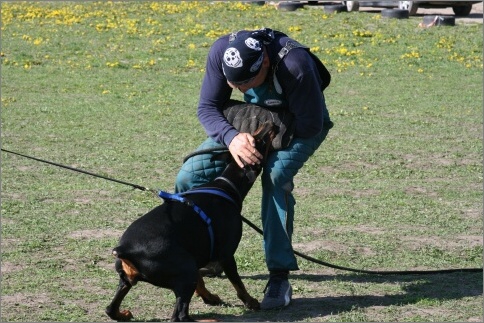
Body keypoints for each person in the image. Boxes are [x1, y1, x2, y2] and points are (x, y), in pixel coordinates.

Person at [174, 27, 333, 310]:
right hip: (247, 124)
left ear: (267, 63)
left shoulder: (295, 65)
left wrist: (261, 141)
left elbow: (311, 124)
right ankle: (208, 253)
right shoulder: (222, 51)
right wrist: (234, 138)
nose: (239, 89)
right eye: (232, 82)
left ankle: (279, 275)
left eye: (247, 81)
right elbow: (207, 107)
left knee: (276, 176)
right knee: (190, 175)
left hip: (300, 127)